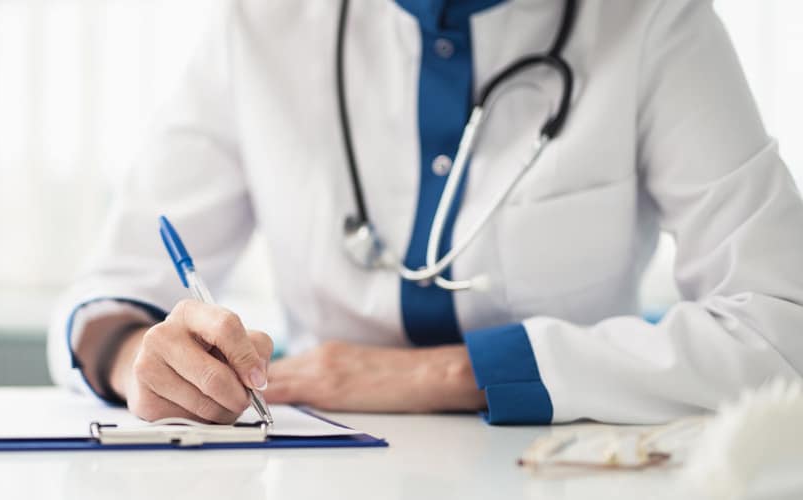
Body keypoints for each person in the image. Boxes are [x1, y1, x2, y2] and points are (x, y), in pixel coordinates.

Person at [46, 0, 803, 425]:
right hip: (313, 462)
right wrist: (137, 357)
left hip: (559, 470)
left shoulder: (655, 21)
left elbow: (782, 322)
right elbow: (109, 294)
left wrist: (450, 374)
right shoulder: (262, 22)